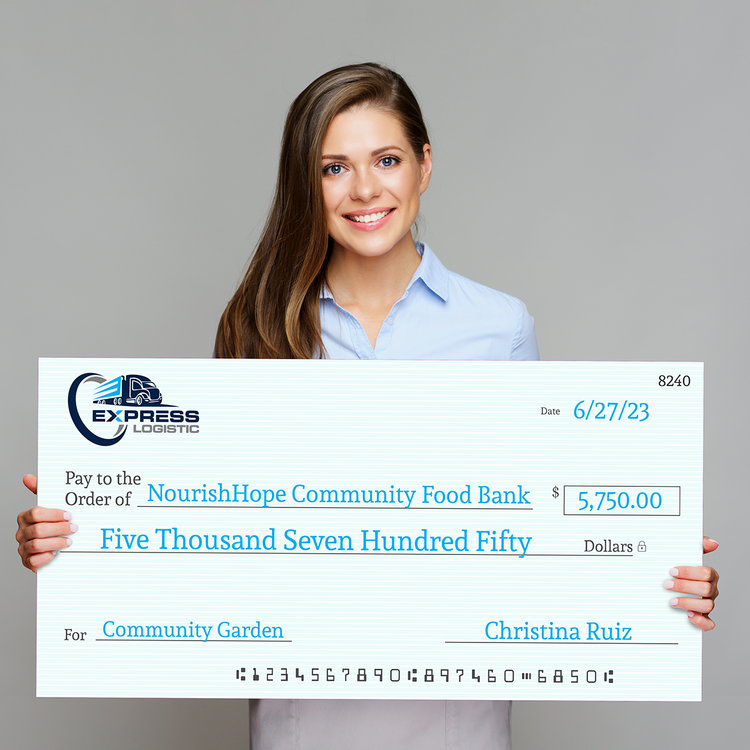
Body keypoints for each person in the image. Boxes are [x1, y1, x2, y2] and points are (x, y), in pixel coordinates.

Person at [16, 63, 719, 749]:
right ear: (307, 184)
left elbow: (536, 529)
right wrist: (88, 536)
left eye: (385, 159)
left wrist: (653, 571)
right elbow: (208, 526)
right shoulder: (257, 326)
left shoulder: (501, 328)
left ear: (424, 164)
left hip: (455, 715)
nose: (363, 189)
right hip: (302, 715)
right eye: (332, 167)